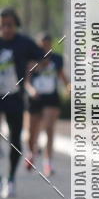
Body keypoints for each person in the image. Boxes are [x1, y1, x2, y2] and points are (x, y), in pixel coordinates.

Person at [0, 7, 45, 197]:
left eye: (10, 25)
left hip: (14, 98)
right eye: (2, 25)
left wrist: (32, 69)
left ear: (16, 25)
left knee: (15, 140)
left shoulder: (24, 43)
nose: (6, 29)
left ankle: (10, 179)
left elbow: (43, 57)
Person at [25, 33, 69, 176]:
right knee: (31, 132)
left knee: (49, 128)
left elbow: (62, 76)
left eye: (47, 45)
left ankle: (48, 162)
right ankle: (32, 151)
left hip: (51, 98)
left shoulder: (57, 59)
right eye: (42, 45)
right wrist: (31, 91)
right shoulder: (32, 59)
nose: (45, 47)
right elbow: (26, 80)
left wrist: (69, 87)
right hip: (35, 98)